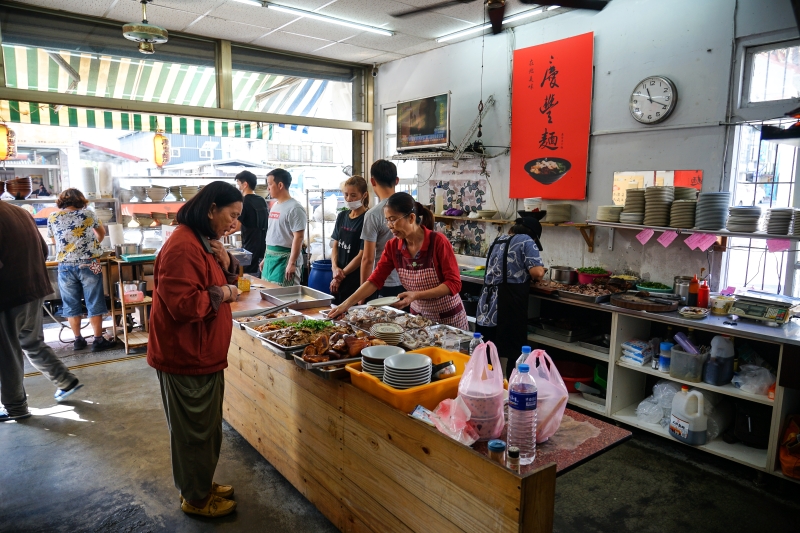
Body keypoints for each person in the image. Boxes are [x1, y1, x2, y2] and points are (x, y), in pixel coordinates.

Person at [148, 181, 242, 518]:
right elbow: (185, 306)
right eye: (230, 216)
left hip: (204, 353)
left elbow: (215, 277)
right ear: (211, 209)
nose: (233, 224)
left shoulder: (201, 242)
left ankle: (200, 484)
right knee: (193, 433)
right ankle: (196, 498)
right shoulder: (183, 246)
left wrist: (226, 259)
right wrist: (225, 294)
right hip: (186, 355)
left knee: (205, 428)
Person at [330, 192, 467, 329]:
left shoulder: (438, 242)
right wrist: (346, 305)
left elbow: (454, 283)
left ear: (411, 218)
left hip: (448, 320)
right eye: (387, 220)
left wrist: (416, 295)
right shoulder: (393, 246)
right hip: (418, 320)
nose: (389, 225)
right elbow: (374, 280)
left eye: (393, 219)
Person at [0, 202, 84, 421]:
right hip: (33, 288)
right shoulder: (19, 212)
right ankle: (65, 380)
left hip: (7, 294)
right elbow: (44, 249)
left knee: (6, 354)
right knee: (31, 341)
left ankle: (15, 407)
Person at [47, 188, 116, 352]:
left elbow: (53, 240)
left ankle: (78, 340)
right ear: (81, 200)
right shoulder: (89, 214)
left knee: (70, 303)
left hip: (65, 265)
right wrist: (93, 246)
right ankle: (98, 340)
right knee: (94, 300)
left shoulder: (53, 217)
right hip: (90, 262)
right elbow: (101, 233)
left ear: (62, 201)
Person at [476, 217, 546, 377]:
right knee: (515, 351)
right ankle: (513, 385)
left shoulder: (498, 239)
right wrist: (539, 272)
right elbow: (537, 272)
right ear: (534, 236)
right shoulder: (527, 241)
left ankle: (489, 385)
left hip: (487, 303)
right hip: (508, 304)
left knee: (490, 350)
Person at [361, 159, 404, 300]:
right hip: (410, 281)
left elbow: (368, 259)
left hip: (385, 282)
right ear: (397, 180)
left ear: (372, 182)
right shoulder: (411, 206)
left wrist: (362, 295)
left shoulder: (373, 214)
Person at [260, 168, 306, 286]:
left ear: (280, 185)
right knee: (268, 294)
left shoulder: (295, 208)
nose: (268, 188)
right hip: (271, 257)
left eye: (270, 184)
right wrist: (266, 257)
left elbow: (299, 237)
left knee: (286, 297)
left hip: (285, 259)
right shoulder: (275, 205)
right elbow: (273, 234)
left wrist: (292, 263)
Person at [330, 176, 369, 305]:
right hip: (337, 277)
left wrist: (341, 275)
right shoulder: (342, 216)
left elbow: (362, 254)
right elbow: (335, 245)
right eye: (346, 195)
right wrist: (335, 268)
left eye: (353, 195)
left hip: (354, 279)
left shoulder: (367, 219)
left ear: (364, 195)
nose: (348, 199)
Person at [232, 170, 269, 275]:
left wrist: (222, 233)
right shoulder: (261, 199)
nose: (238, 187)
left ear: (245, 184)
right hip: (264, 245)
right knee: (260, 275)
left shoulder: (244, 202)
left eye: (239, 184)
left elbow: (236, 226)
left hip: (250, 245)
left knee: (249, 277)